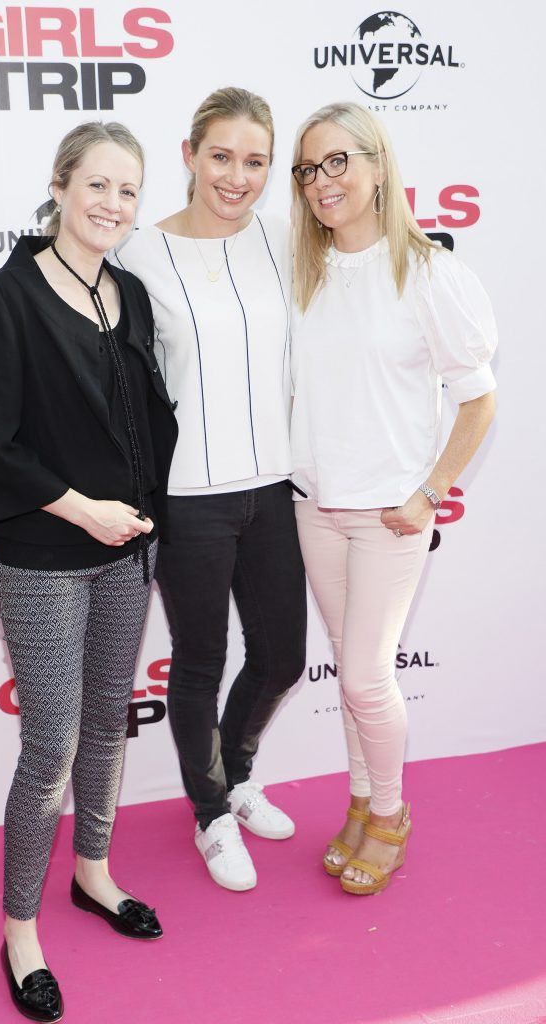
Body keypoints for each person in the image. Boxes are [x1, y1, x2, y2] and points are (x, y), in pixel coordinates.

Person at [0, 121, 177, 1021]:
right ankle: (19, 929)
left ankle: (93, 872)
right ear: (59, 186)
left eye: (128, 190)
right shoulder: (5, 299)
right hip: (47, 557)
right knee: (49, 746)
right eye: (96, 185)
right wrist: (83, 509)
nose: (112, 205)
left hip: (130, 554)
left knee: (103, 726)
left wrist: (144, 517)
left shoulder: (129, 293)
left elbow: (145, 424)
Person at [289, 102, 497, 895]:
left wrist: (429, 493)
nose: (322, 183)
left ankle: (390, 816)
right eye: (308, 170)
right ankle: (358, 803)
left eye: (338, 162)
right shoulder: (305, 272)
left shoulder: (429, 271)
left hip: (387, 516)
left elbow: (478, 399)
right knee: (349, 672)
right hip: (314, 505)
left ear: (378, 165)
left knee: (365, 678)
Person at [112, 87, 307, 892]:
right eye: (220, 156)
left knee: (283, 657)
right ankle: (210, 812)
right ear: (189, 155)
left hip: (272, 487)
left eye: (254, 161)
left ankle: (238, 772)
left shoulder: (285, 243)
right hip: (188, 497)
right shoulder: (137, 254)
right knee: (198, 661)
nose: (236, 177)